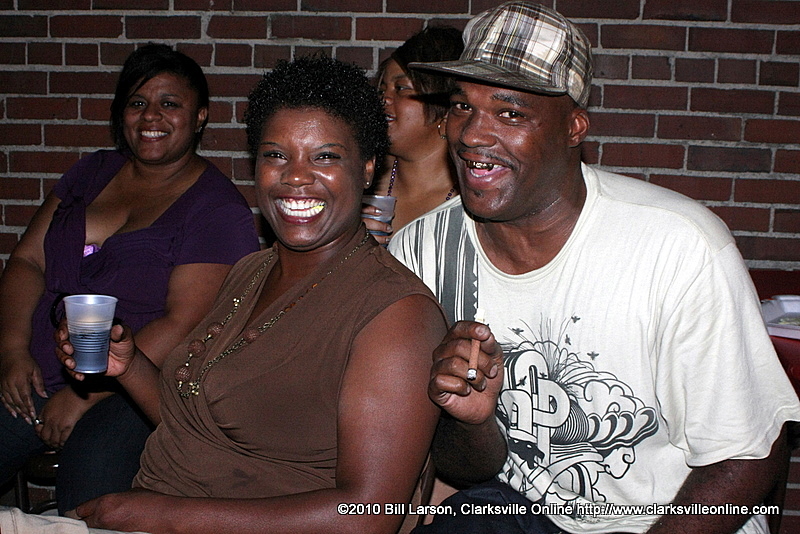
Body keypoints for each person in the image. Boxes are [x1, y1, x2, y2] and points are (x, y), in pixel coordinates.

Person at [388, 2, 800, 533]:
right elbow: (465, 468)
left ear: (574, 127)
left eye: (510, 113)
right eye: (463, 106)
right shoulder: (422, 250)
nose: (471, 134)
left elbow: (747, 455)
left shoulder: (677, 247)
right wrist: (471, 418)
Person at [50, 56, 446, 534]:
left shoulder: (396, 314)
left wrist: (160, 515)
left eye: (324, 157)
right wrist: (129, 366)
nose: (295, 176)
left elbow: (368, 517)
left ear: (366, 169)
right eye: (276, 155)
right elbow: (197, 427)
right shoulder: (252, 271)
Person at [0, 43, 260, 513]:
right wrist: (12, 350)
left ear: (200, 116)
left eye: (169, 103)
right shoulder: (93, 171)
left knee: (93, 480)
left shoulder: (218, 209)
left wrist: (87, 396)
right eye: (138, 102)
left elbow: (184, 323)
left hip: (137, 390)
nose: (150, 116)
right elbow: (27, 262)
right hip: (36, 373)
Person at [362, 26, 463, 245]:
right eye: (381, 90)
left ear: (445, 109)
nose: (384, 99)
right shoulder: (361, 179)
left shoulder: (470, 198)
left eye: (401, 88)